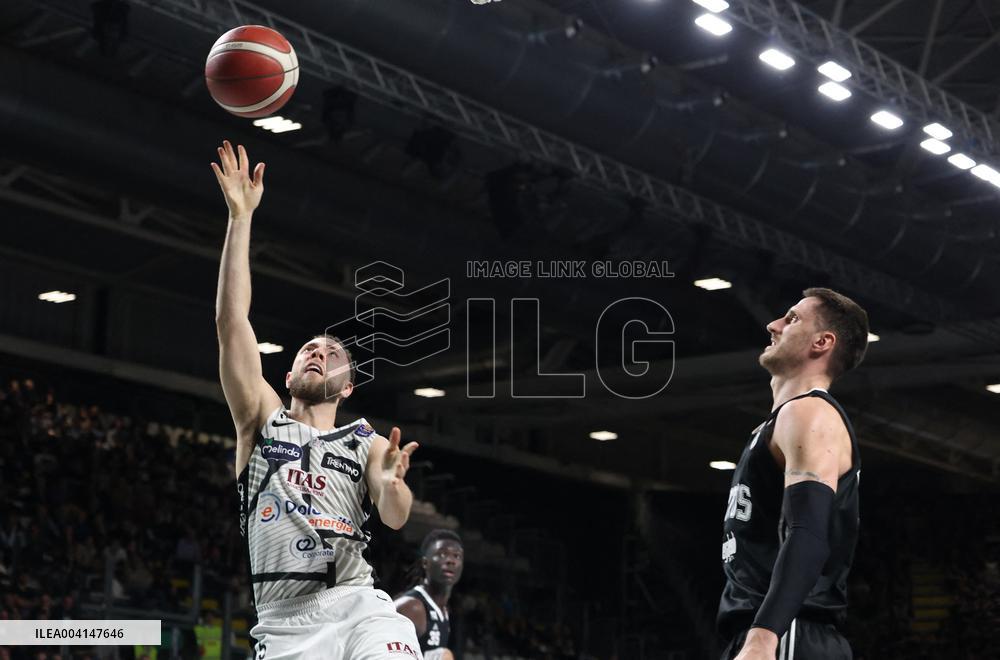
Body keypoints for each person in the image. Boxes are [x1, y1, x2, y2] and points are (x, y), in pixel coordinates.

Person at [212, 140, 424, 659]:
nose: (318, 353)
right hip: (284, 623)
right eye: (310, 349)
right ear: (287, 374)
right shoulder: (260, 419)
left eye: (332, 353)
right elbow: (231, 323)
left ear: (348, 386)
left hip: (356, 604)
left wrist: (394, 484)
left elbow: (395, 517)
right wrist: (241, 217)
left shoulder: (365, 442)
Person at [718, 288, 869, 660]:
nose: (773, 325)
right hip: (776, 629)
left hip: (786, 632)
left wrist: (764, 637)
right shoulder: (782, 421)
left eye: (793, 318)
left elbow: (809, 533)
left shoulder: (809, 414)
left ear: (822, 342)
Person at [395, 530, 464, 660]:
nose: (451, 561)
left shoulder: (443, 610)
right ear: (425, 563)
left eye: (457, 556)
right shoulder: (412, 607)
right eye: (443, 554)